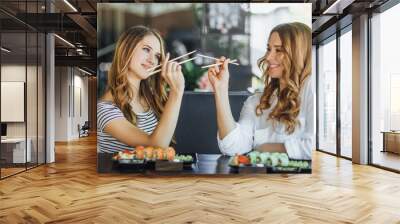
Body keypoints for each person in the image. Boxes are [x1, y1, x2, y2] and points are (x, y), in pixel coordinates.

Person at [208, 22, 314, 160]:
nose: (268, 57)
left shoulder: (310, 86)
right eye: (268, 49)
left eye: (278, 50)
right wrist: (220, 90)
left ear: (298, 54)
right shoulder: (257, 101)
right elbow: (232, 147)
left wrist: (265, 148)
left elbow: (314, 147)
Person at [97, 26, 184, 153]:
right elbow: (156, 147)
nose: (152, 61)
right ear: (126, 50)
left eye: (157, 56)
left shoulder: (152, 99)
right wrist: (177, 92)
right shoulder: (105, 109)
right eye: (146, 49)